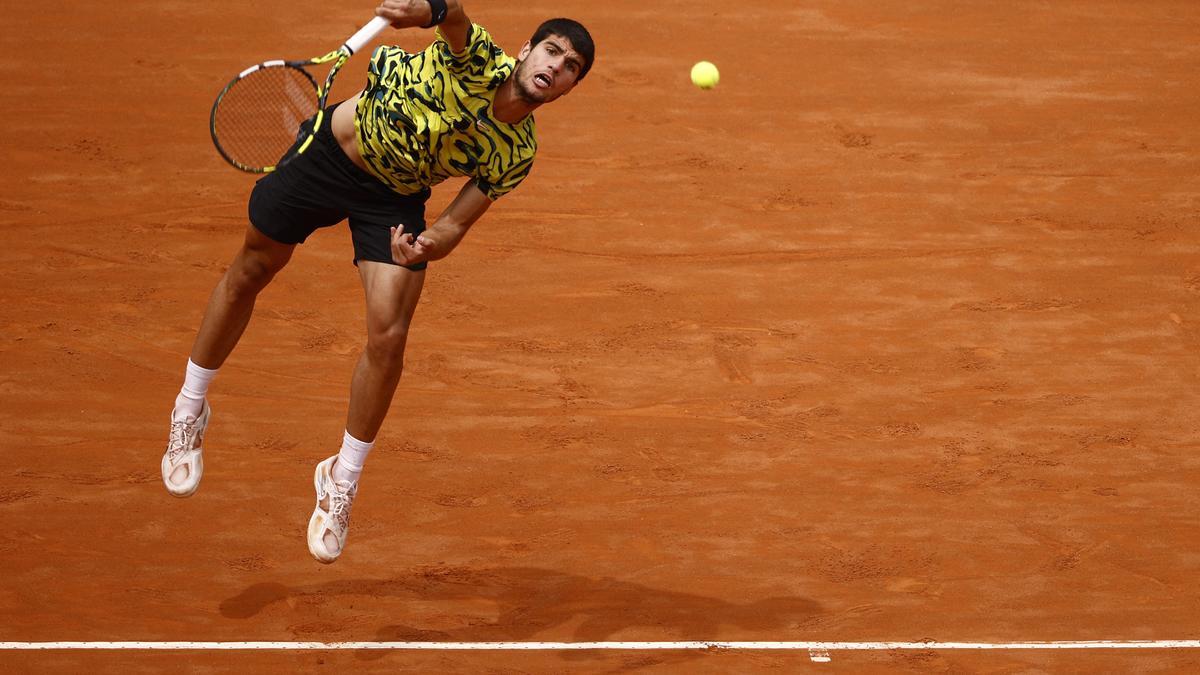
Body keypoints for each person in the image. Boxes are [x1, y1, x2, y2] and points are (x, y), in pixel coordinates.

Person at [160, 0, 595, 564]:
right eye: (552, 51)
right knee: (252, 269)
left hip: (392, 201)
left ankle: (341, 478)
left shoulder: (516, 151)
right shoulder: (477, 60)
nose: (557, 67)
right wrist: (430, 9)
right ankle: (189, 409)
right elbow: (454, 16)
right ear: (525, 52)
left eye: (571, 67)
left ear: (568, 88)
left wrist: (424, 245)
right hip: (327, 156)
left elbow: (456, 221)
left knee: (389, 336)